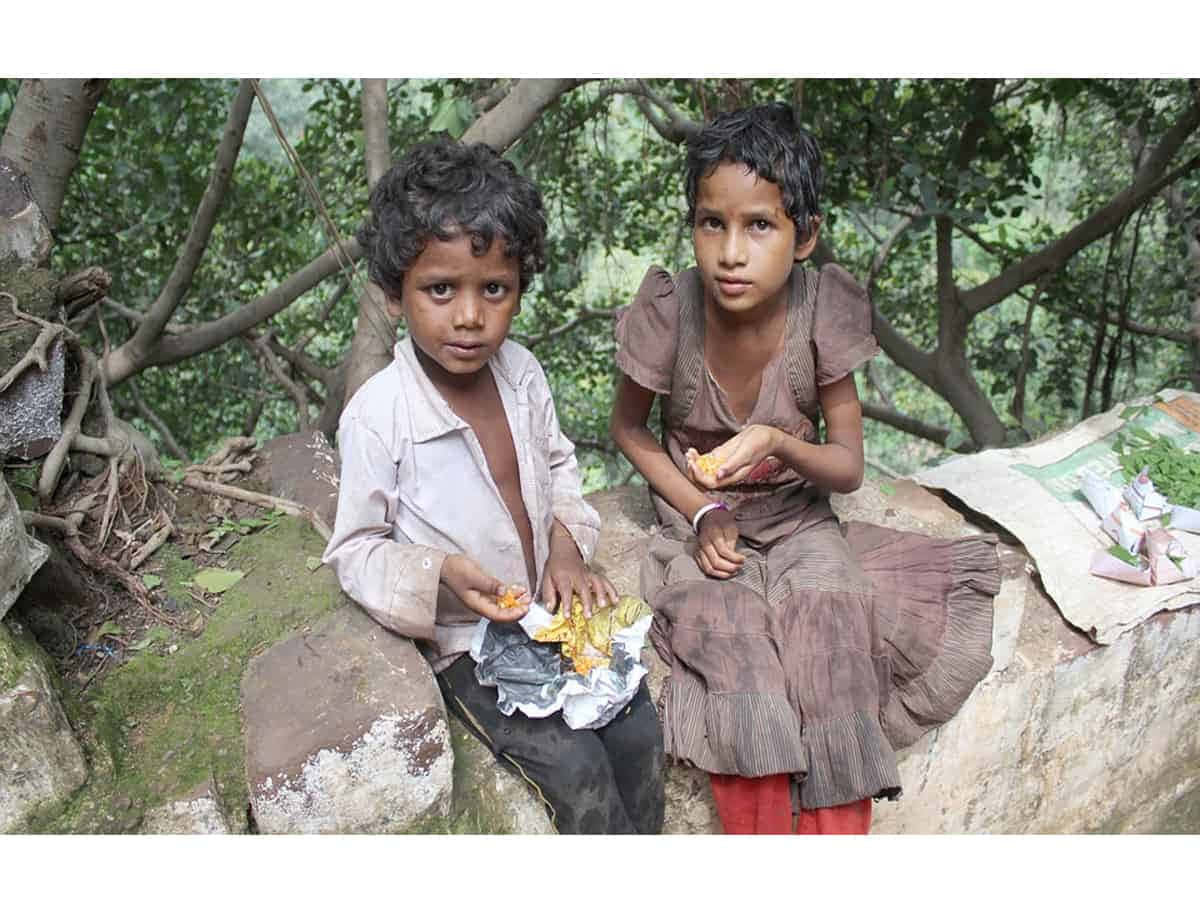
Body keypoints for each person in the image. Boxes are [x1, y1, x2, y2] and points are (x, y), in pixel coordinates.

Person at [610, 103, 999, 835]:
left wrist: (775, 441)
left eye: (759, 225)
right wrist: (700, 511)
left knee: (831, 634)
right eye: (710, 223)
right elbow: (629, 429)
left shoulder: (820, 311)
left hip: (800, 521)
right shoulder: (672, 312)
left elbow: (846, 467)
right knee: (732, 649)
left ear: (804, 236)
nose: (730, 252)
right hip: (700, 527)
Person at [323, 135, 665, 835]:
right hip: (467, 644)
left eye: (494, 290)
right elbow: (355, 551)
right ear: (395, 293)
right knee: (575, 772)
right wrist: (438, 572)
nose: (470, 316)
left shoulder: (523, 374)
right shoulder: (378, 418)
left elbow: (562, 469)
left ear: (518, 288)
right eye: (439, 289)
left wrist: (566, 553)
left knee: (637, 732)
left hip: (548, 609)